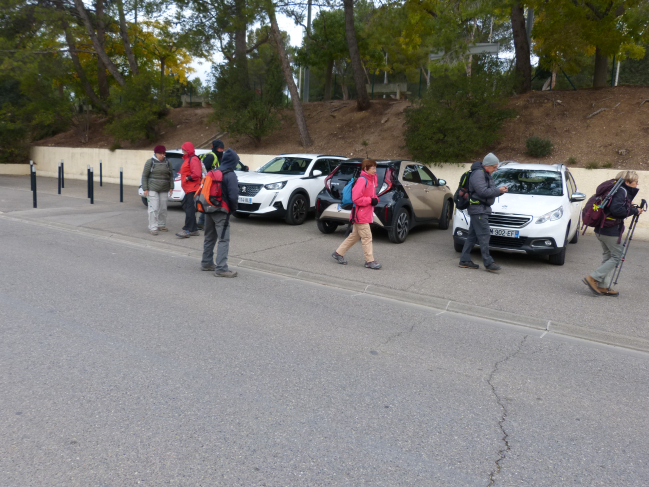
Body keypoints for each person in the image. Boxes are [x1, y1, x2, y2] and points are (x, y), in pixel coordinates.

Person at [583, 170, 643, 296]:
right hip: (611, 230)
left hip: (601, 228)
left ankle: (603, 286)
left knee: (608, 256)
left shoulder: (613, 189)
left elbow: (613, 207)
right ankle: (593, 278)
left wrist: (628, 206)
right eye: (635, 181)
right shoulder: (622, 191)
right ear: (627, 182)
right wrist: (634, 210)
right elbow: (617, 211)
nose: (637, 183)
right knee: (616, 257)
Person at [459, 153, 508, 272]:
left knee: (472, 236)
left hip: (481, 209)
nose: (495, 169)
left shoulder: (484, 173)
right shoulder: (479, 174)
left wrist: (500, 191)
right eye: (494, 167)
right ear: (488, 165)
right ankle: (488, 262)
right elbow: (482, 192)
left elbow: (486, 191)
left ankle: (464, 260)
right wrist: (498, 190)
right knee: (484, 235)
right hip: (478, 210)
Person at [332, 159, 382, 269]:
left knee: (354, 236)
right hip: (360, 214)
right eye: (373, 168)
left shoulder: (371, 180)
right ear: (365, 169)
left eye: (375, 167)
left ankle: (338, 253)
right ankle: (369, 261)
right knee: (367, 237)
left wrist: (375, 199)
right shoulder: (362, 180)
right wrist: (370, 200)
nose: (375, 170)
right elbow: (356, 199)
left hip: (363, 213)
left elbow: (373, 195)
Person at [201, 149, 240, 277]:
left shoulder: (214, 171)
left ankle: (207, 262)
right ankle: (221, 268)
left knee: (209, 237)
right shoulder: (230, 174)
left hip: (208, 208)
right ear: (233, 161)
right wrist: (232, 210)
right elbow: (233, 196)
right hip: (221, 210)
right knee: (223, 240)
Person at [141, 145, 174, 235]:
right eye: (160, 153)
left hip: (164, 188)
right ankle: (153, 227)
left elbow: (171, 175)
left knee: (163, 208)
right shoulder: (150, 162)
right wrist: (145, 188)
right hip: (152, 188)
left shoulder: (168, 162)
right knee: (153, 208)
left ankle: (161, 224)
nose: (162, 155)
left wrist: (171, 187)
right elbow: (145, 175)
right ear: (156, 153)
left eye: (163, 153)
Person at [176, 141, 202, 238]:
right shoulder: (188, 159)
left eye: (183, 149)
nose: (182, 151)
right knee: (189, 209)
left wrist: (187, 178)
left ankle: (187, 229)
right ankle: (194, 229)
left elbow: (196, 174)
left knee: (189, 210)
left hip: (192, 189)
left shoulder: (193, 159)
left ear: (187, 150)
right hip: (188, 189)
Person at [197, 140, 225, 230]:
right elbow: (204, 170)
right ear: (215, 148)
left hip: (216, 183)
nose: (220, 150)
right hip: (209, 183)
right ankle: (203, 222)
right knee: (208, 202)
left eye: (222, 149)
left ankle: (202, 222)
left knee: (210, 203)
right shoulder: (210, 156)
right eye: (219, 148)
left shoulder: (221, 156)